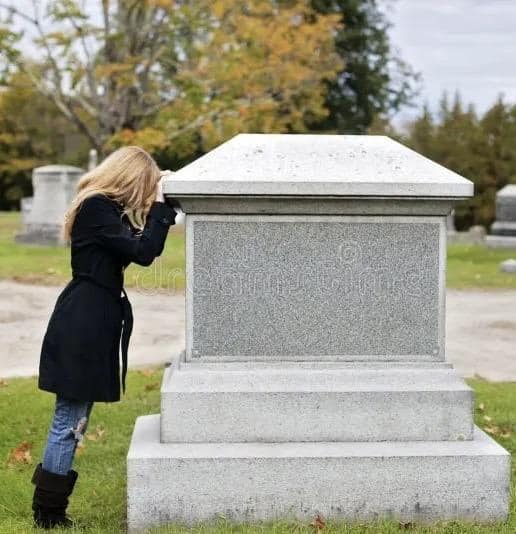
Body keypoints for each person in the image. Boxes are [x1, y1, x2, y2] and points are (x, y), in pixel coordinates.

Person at [30, 146, 178, 529]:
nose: (146, 192)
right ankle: (48, 513)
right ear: (130, 178)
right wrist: (160, 206)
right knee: (69, 419)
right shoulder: (97, 207)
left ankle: (49, 509)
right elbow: (145, 252)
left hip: (92, 317)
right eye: (145, 184)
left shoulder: (105, 210)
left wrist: (161, 203)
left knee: (74, 417)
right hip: (84, 321)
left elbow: (143, 242)